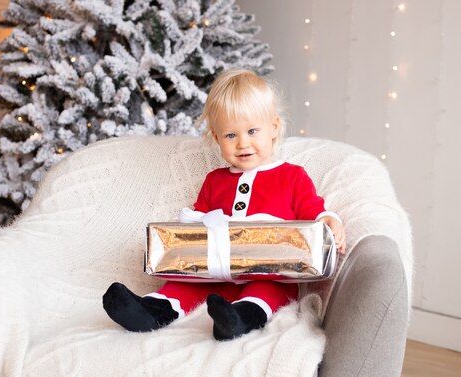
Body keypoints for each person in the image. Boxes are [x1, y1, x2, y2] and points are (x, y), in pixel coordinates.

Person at [103, 69, 346, 340]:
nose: (243, 143)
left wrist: (329, 220)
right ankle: (150, 310)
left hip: (269, 274)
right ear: (217, 138)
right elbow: (197, 227)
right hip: (216, 272)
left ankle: (237, 319)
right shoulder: (214, 180)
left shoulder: (291, 176)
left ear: (274, 128)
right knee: (182, 286)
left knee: (265, 290)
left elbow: (312, 211)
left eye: (252, 131)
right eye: (231, 135)